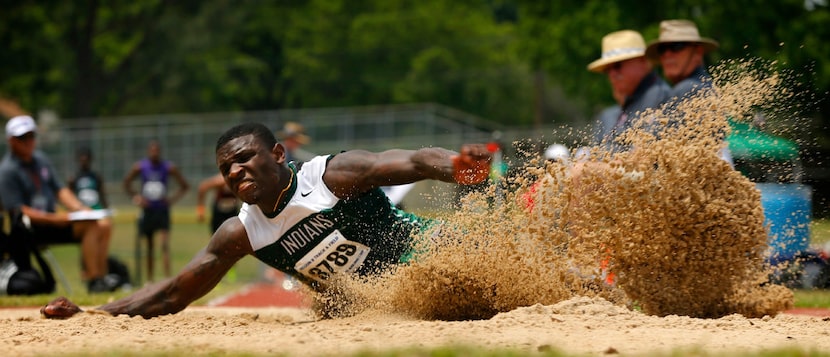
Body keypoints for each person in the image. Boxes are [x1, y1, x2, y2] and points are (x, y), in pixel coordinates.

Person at [42, 122, 492, 319]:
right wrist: (93, 313)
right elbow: (176, 292)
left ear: (277, 155)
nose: (235, 172)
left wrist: (457, 166)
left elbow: (411, 160)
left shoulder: (329, 176)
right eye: (226, 169)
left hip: (431, 253)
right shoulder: (243, 232)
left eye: (244, 159)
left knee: (476, 283)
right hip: (378, 304)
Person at [0, 115, 116, 293]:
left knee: (102, 224)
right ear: (11, 141)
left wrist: (79, 209)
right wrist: (56, 219)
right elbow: (18, 210)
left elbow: (60, 190)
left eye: (31, 136)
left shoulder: (41, 160)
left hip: (56, 221)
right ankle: (94, 280)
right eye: (23, 138)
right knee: (91, 225)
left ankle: (99, 279)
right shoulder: (7, 170)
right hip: (32, 229)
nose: (28, 142)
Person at [645, 19, 734, 166]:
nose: (667, 55)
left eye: (676, 47)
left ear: (697, 52)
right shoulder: (705, 87)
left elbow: (653, 158)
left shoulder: (688, 89)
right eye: (662, 50)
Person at [587, 29, 671, 153]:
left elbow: (643, 157)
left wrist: (595, 168)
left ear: (643, 61)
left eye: (617, 65)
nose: (612, 74)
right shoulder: (635, 99)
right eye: (607, 70)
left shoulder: (659, 96)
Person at [123, 139, 190, 282]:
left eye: (156, 150)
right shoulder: (141, 167)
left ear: (160, 152)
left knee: (164, 245)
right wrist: (137, 198)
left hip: (162, 209)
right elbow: (126, 183)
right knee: (149, 247)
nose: (154, 153)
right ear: (148, 151)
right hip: (148, 210)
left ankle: (167, 279)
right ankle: (150, 280)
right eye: (151, 150)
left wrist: (171, 200)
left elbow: (184, 185)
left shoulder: (168, 167)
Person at [196, 173, 240, 283]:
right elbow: (203, 187)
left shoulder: (238, 180)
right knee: (216, 243)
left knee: (234, 244)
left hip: (232, 211)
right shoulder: (220, 181)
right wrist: (200, 209)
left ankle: (231, 272)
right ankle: (215, 274)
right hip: (219, 212)